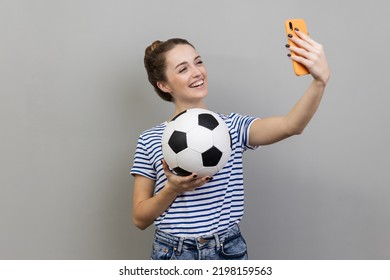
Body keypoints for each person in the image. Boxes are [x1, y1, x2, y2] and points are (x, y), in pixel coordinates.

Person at [131, 30, 330, 260]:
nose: (197, 72)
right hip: (172, 253)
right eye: (183, 69)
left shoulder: (232, 127)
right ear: (164, 85)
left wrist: (319, 81)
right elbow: (140, 219)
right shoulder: (150, 139)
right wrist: (172, 189)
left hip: (226, 250)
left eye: (198, 62)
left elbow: (290, 125)